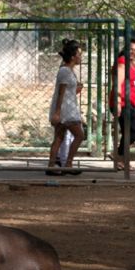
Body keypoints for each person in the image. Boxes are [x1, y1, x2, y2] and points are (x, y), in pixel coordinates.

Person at [46, 39, 85, 176]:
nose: (80, 57)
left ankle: (52, 165)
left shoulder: (68, 70)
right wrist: (57, 113)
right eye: (79, 54)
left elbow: (67, 91)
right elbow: (60, 93)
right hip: (66, 110)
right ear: (73, 57)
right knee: (79, 135)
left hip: (67, 107)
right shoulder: (65, 71)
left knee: (59, 137)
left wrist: (76, 89)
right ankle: (68, 163)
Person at [110, 39, 135, 171]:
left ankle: (121, 160)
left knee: (129, 133)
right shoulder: (123, 62)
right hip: (123, 102)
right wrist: (118, 103)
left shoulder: (132, 64)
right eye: (131, 49)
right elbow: (118, 83)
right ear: (125, 49)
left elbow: (134, 85)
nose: (133, 52)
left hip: (131, 102)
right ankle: (118, 156)